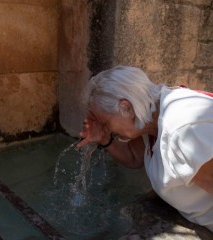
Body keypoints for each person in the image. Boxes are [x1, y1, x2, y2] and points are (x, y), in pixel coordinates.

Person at [77, 66, 213, 231]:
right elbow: (134, 157)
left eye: (105, 123)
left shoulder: (182, 131)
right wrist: (104, 140)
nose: (107, 129)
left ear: (126, 108)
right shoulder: (152, 115)